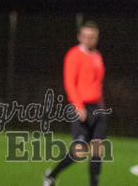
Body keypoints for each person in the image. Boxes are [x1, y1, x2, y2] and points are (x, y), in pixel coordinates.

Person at [43, 21, 107, 186]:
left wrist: (101, 105)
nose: (89, 40)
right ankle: (52, 176)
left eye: (92, 37)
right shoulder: (74, 55)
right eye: (86, 36)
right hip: (81, 107)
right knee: (79, 152)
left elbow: (98, 84)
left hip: (97, 109)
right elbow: (69, 83)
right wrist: (78, 105)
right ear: (79, 37)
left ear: (97, 38)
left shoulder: (97, 56)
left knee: (97, 150)